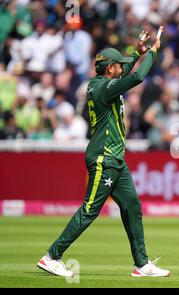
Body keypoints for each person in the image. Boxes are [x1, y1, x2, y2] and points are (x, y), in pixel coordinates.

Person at [37, 27, 171, 278]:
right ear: (110, 69)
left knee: (132, 206)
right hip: (104, 158)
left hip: (115, 159)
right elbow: (136, 78)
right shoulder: (103, 88)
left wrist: (136, 53)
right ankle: (51, 256)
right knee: (90, 209)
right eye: (118, 65)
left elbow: (125, 73)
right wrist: (151, 53)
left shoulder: (103, 83)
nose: (122, 67)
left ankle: (142, 265)